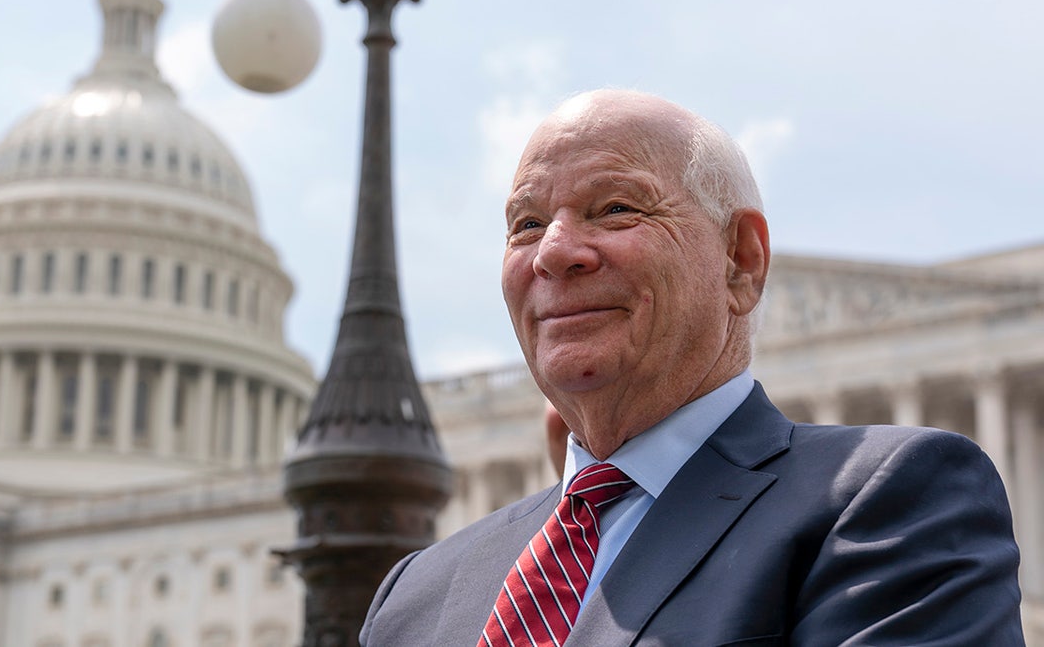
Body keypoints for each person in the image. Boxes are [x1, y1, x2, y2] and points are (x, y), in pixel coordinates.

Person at [359, 90, 1024, 646]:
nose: (554, 251)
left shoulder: (894, 501)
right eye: (526, 224)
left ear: (741, 261)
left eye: (615, 208)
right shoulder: (412, 597)